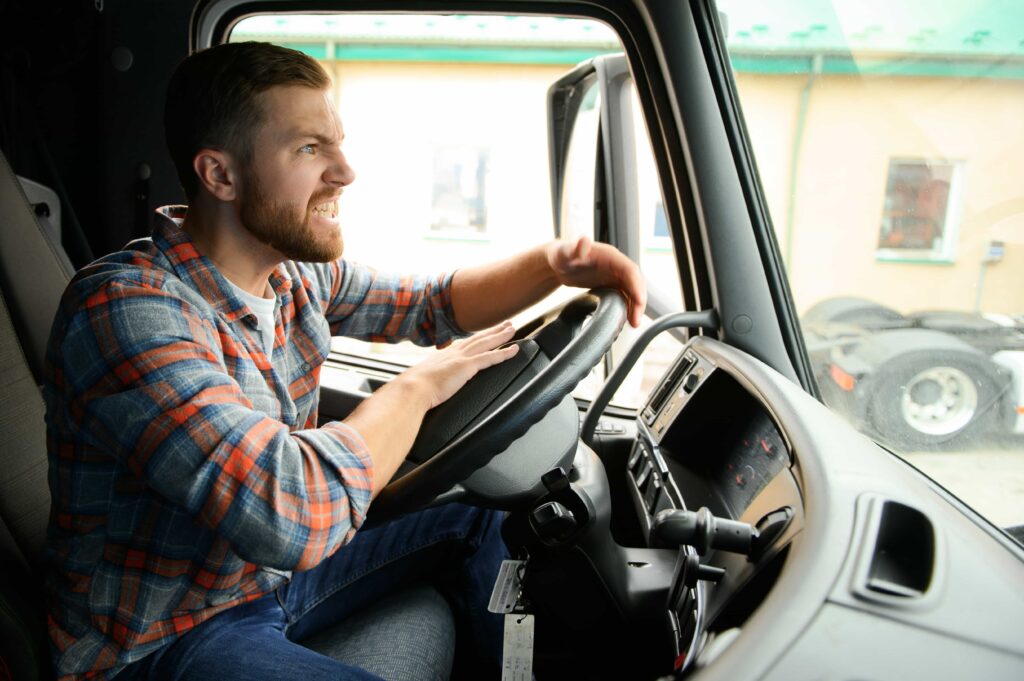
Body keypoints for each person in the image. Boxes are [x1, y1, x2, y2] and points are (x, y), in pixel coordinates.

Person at [43, 41, 646, 680]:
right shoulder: (127, 311)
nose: (345, 172)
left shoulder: (291, 277)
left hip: (262, 581)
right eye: (309, 149)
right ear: (220, 175)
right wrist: (414, 392)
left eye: (337, 143)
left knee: (478, 508)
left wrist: (556, 264)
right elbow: (290, 513)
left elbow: (433, 303)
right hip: (157, 639)